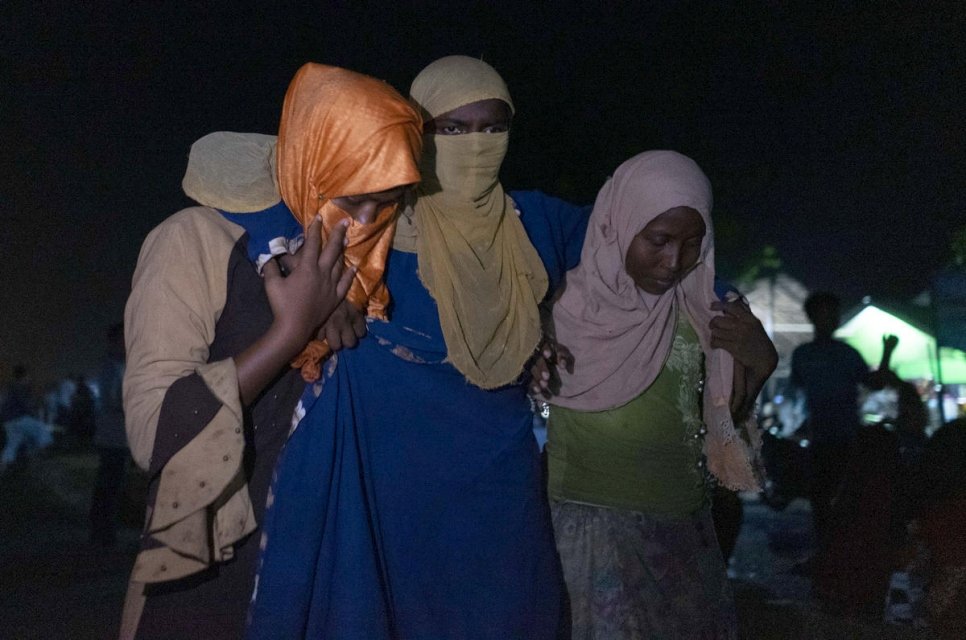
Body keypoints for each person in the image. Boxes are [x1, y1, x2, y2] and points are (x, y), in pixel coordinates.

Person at [247, 56, 584, 640]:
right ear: (416, 133)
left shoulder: (535, 221)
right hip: (384, 474)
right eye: (451, 129)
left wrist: (730, 309)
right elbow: (249, 177)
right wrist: (302, 274)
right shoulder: (372, 218)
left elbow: (640, 233)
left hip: (494, 479)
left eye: (493, 127)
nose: (475, 145)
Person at [120, 63, 422, 639]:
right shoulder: (194, 242)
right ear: (311, 163)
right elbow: (152, 431)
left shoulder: (368, 274)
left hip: (326, 565)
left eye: (385, 203)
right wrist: (290, 331)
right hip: (216, 563)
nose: (362, 222)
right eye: (352, 197)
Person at [543, 151, 775, 638]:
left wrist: (761, 363)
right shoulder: (562, 306)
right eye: (659, 240)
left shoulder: (708, 310)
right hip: (590, 535)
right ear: (621, 223)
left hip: (683, 532)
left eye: (693, 243)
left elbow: (725, 420)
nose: (674, 261)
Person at [789, 292, 869, 552]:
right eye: (824, 314)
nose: (829, 320)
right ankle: (829, 554)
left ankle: (841, 554)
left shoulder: (846, 354)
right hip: (822, 439)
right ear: (813, 318)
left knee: (844, 499)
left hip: (847, 439)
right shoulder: (804, 355)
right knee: (823, 500)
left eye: (832, 315)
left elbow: (873, 382)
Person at [89, 322, 130, 547]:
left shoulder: (118, 366)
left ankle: (103, 529)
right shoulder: (111, 367)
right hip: (112, 436)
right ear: (114, 341)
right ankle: (102, 531)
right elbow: (113, 400)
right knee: (109, 485)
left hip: (117, 436)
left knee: (110, 484)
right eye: (123, 338)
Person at [0, 365, 53, 473]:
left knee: (12, 445)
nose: (29, 378)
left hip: (9, 421)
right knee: (42, 429)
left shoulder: (9, 388)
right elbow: (26, 404)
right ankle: (42, 454)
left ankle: (2, 467)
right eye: (28, 376)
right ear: (24, 376)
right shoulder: (19, 387)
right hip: (19, 418)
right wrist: (35, 411)